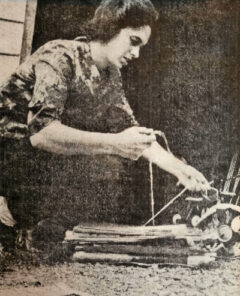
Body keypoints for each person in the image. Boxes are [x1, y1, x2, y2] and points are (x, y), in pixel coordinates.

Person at [0, 0, 209, 249]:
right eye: (133, 42)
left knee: (109, 162)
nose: (136, 54)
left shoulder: (110, 74)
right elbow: (42, 134)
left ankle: (30, 226)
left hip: (35, 158)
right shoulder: (59, 55)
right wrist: (114, 144)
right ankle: (9, 214)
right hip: (10, 153)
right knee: (104, 157)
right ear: (110, 28)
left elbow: (129, 130)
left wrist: (179, 169)